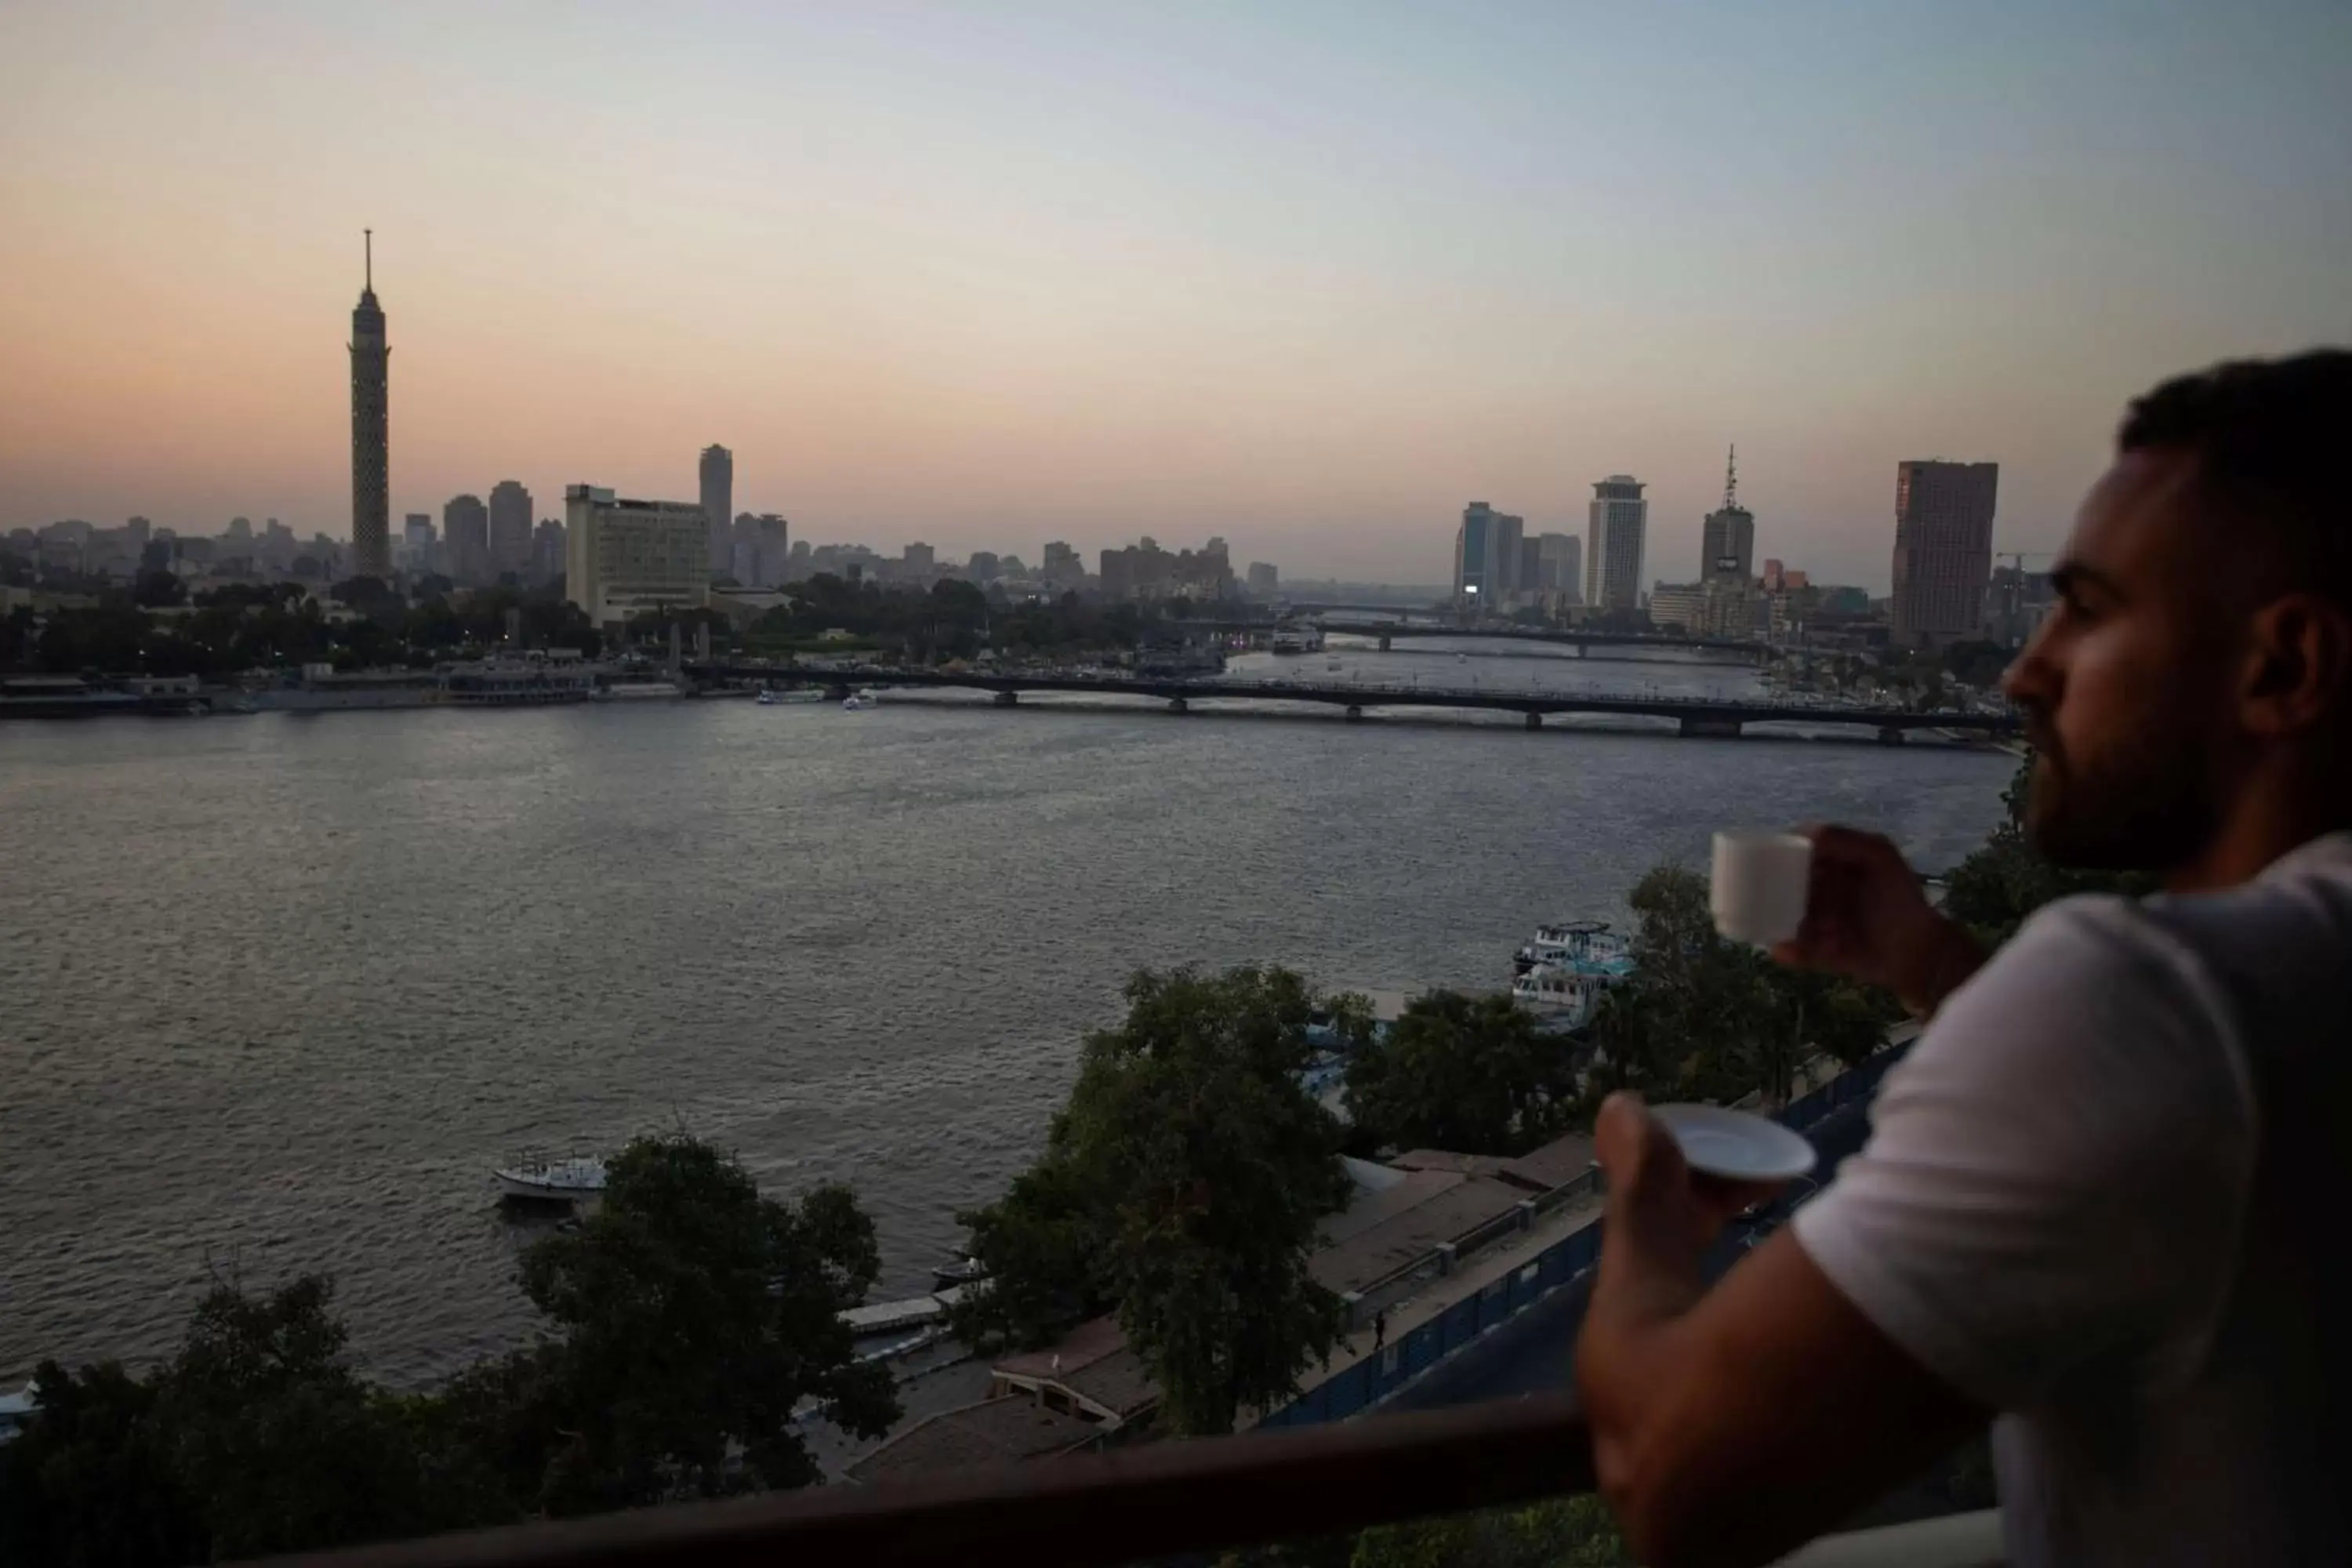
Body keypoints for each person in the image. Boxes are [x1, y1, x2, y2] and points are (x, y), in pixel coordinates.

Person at [1574, 350, 2352, 1568]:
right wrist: (1934, 962)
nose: (2019, 669)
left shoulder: (2139, 998)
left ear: (2288, 667)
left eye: (2087, 611)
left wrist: (1643, 1205)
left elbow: (1671, 1476)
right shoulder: (2279, 983)